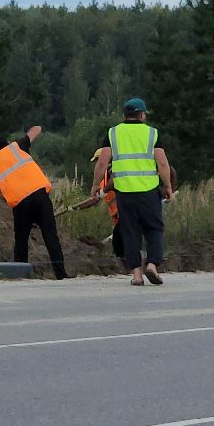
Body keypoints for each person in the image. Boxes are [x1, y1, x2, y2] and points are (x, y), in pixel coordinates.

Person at [90, 97, 173, 286]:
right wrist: (167, 186)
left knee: (130, 231)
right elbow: (162, 163)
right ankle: (152, 264)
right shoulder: (152, 133)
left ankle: (136, 274)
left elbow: (102, 162)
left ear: (125, 115)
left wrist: (96, 185)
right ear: (142, 114)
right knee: (154, 228)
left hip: (124, 191)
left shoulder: (113, 133)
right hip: (149, 190)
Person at [0, 125, 68, 280]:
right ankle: (61, 274)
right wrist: (28, 132)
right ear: (7, 143)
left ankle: (20, 273)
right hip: (40, 195)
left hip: (21, 204)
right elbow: (37, 129)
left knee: (21, 239)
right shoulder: (17, 146)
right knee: (50, 235)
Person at [73, 146, 127, 270]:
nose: (96, 165)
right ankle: (126, 265)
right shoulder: (104, 179)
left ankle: (128, 265)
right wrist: (76, 207)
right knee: (121, 241)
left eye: (97, 161)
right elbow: (95, 199)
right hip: (117, 215)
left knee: (120, 240)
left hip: (124, 211)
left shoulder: (112, 171)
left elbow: (114, 183)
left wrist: (103, 191)